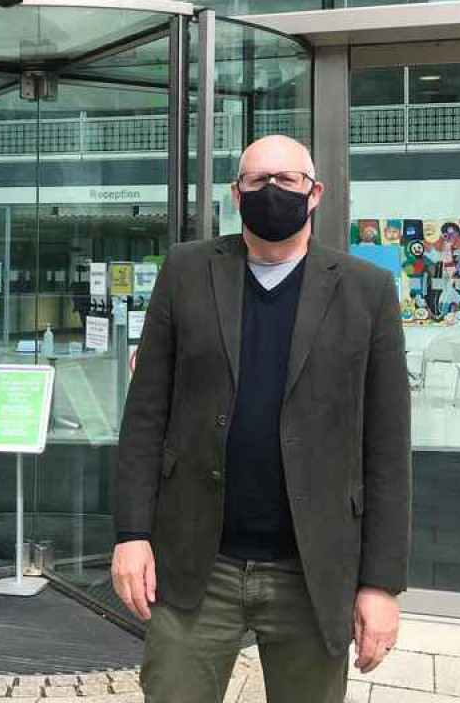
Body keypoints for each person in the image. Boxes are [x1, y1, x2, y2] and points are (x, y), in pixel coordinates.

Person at [112, 134, 411, 703]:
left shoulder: (367, 291)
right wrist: (132, 533)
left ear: (314, 192)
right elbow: (146, 413)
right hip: (198, 563)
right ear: (237, 192)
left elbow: (388, 447)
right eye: (257, 181)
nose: (272, 191)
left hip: (312, 569)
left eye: (287, 181)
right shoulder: (186, 270)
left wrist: (380, 584)